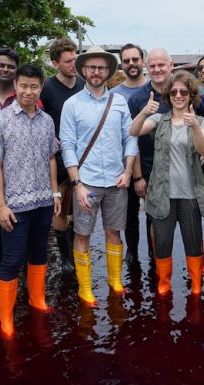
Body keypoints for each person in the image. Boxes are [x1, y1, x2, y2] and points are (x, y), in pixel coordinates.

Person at [0, 64, 61, 338]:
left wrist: (55, 192)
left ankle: (36, 300)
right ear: (15, 85)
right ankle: (6, 317)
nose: (29, 91)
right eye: (24, 85)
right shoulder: (1, 120)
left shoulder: (46, 121)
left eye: (34, 86)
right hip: (14, 205)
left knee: (39, 254)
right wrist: (0, 205)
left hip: (42, 202)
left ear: (41, 88)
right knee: (12, 259)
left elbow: (51, 157)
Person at [59, 46, 138, 306]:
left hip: (117, 181)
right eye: (91, 67)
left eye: (101, 67)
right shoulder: (72, 105)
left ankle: (115, 281)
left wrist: (128, 171)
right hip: (87, 182)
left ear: (108, 71)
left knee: (114, 231)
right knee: (82, 234)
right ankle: (85, 288)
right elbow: (67, 146)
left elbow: (130, 138)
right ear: (83, 70)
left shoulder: (119, 102)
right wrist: (77, 184)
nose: (96, 72)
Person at [129, 70, 204, 295]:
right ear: (168, 95)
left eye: (183, 91)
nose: (178, 95)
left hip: (190, 194)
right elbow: (133, 131)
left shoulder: (201, 121)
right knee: (162, 244)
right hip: (161, 194)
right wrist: (145, 111)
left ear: (191, 94)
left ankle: (196, 286)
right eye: (174, 91)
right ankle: (164, 285)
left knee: (193, 242)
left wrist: (194, 126)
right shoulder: (159, 119)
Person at [40, 38, 85, 272]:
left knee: (79, 207)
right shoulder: (47, 88)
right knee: (60, 207)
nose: (73, 64)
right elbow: (39, 117)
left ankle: (77, 253)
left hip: (83, 157)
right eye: (68, 61)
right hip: (57, 158)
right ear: (55, 63)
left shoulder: (83, 85)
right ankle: (66, 259)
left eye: (74, 59)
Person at [112, 43, 150, 265]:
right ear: (121, 64)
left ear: (142, 60)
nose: (131, 64)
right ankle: (132, 253)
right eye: (126, 61)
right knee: (129, 213)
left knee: (156, 215)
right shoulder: (114, 95)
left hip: (154, 161)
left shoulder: (155, 88)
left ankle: (156, 255)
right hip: (125, 163)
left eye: (135, 59)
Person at [0, 47, 20, 275]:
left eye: (10, 66)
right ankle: (0, 276)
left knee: (19, 227)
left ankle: (24, 278)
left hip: (19, 177)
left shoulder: (26, 98)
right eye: (1, 65)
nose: (5, 70)